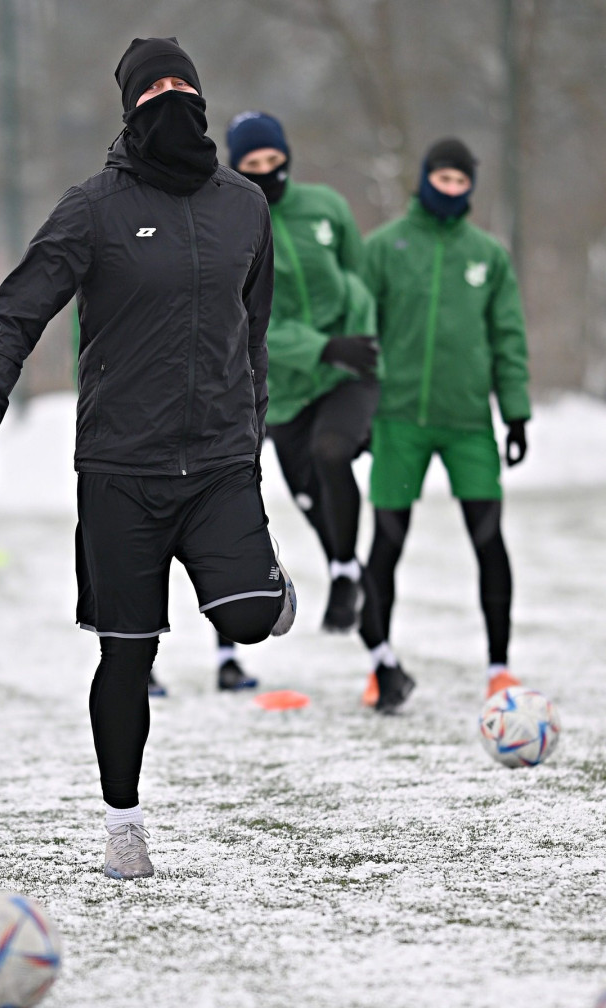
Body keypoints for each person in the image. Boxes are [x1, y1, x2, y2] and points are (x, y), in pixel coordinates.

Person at [0, 37, 296, 880]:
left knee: (246, 617)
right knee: (128, 655)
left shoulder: (245, 206)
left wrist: (250, 444)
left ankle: (267, 584)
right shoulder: (92, 208)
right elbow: (15, 316)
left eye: (182, 84)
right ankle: (123, 827)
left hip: (216, 464)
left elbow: (256, 337)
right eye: (153, 88)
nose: (170, 97)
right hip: (120, 470)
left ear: (203, 98)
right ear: (130, 107)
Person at [358, 137, 531, 712]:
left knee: (489, 540)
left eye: (461, 182)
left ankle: (500, 668)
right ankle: (379, 666)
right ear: (425, 179)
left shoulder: (489, 255)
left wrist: (516, 413)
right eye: (442, 178)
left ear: (470, 187)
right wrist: (358, 409)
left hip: (467, 425)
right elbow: (360, 331)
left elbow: (508, 339)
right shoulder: (385, 247)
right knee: (387, 543)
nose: (451, 189)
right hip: (399, 420)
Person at [226, 111, 380, 633]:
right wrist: (321, 347)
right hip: (284, 389)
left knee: (331, 450)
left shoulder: (327, 207)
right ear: (236, 166)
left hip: (346, 373)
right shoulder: (235, 224)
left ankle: (343, 575)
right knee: (311, 497)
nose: (267, 170)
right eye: (253, 163)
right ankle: (345, 561)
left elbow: (358, 279)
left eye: (274, 159)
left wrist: (355, 341)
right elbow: (250, 318)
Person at [71, 311, 258, 696]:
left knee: (218, 566)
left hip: (208, 438)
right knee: (143, 566)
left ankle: (227, 660)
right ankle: (141, 663)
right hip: (134, 444)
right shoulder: (111, 265)